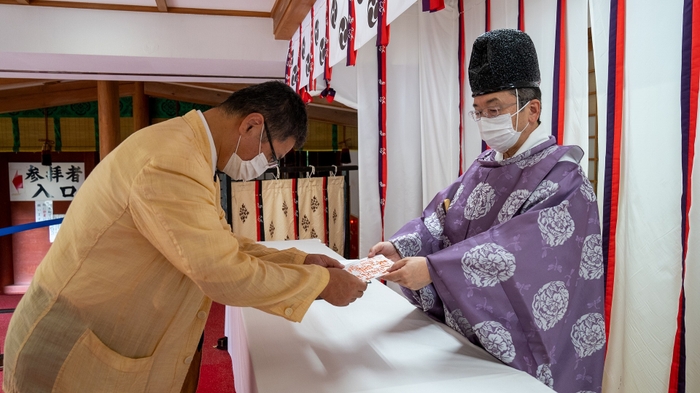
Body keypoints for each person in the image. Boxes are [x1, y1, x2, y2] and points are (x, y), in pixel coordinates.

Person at [3, 81, 367, 393]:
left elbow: (221, 243)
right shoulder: (172, 160)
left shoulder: (190, 151)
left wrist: (299, 260)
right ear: (252, 125)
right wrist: (320, 284)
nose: (264, 168)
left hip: (96, 331)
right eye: (271, 156)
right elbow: (221, 271)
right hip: (72, 348)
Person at [369, 29, 605, 392]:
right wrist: (403, 247)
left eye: (494, 109)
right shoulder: (485, 166)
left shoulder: (564, 179)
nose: (484, 120)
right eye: (478, 111)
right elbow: (444, 218)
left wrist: (433, 269)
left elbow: (523, 253)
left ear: (533, 109)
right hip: (468, 339)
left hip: (526, 349)